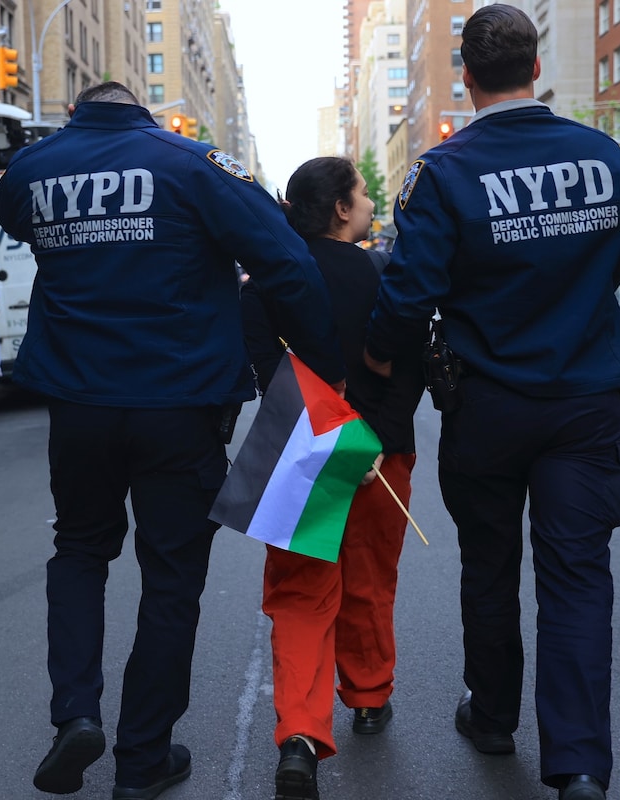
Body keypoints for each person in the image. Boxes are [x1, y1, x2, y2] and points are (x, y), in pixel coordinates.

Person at [0, 81, 345, 800]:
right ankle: (142, 757)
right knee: (172, 578)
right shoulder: (192, 164)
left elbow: (13, 215)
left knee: (79, 550)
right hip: (178, 404)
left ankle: (75, 714)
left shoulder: (34, 169)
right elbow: (286, 261)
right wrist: (323, 366)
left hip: (80, 404)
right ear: (142, 113)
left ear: (77, 113)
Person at [363, 8, 620, 800]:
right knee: (577, 577)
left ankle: (491, 717)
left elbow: (409, 291)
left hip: (487, 401)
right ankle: (579, 764)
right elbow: (612, 262)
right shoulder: (605, 158)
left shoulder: (445, 172)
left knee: (488, 564)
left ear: (466, 75)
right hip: (585, 398)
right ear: (536, 67)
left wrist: (379, 355)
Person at [240, 157, 424, 800]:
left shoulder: (264, 284)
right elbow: (408, 367)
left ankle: (299, 733)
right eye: (364, 193)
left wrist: (328, 432)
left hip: (300, 454)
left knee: (299, 593)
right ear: (342, 210)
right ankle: (369, 696)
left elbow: (269, 374)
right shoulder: (382, 272)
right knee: (370, 579)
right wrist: (378, 438)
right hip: (380, 454)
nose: (371, 202)